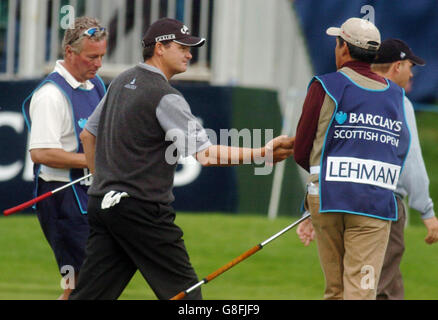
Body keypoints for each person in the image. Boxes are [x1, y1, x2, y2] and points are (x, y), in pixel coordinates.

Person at [70, 18, 294, 300]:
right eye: (183, 47)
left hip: (103, 205)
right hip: (142, 209)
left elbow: (88, 135)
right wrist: (262, 153)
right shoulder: (165, 96)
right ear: (160, 48)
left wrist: (100, 183)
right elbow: (207, 154)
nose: (190, 54)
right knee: (187, 298)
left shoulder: (121, 80)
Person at [293, 18, 411, 300]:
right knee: (361, 291)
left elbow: (302, 149)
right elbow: (401, 148)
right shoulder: (395, 94)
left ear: (343, 47)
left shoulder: (325, 85)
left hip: (327, 198)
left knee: (335, 290)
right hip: (373, 201)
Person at [22, 17, 107, 300]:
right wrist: (95, 163)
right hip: (62, 201)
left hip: (89, 196)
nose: (98, 64)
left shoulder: (95, 86)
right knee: (83, 285)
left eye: (102, 56)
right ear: (70, 53)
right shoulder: (50, 95)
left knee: (85, 285)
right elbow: (41, 153)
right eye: (91, 57)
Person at [371, 39, 438, 299]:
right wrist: (427, 210)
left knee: (366, 281)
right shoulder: (399, 101)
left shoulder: (349, 94)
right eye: (410, 66)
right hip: (385, 204)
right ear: (397, 66)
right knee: (380, 288)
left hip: (344, 200)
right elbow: (411, 160)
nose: (411, 74)